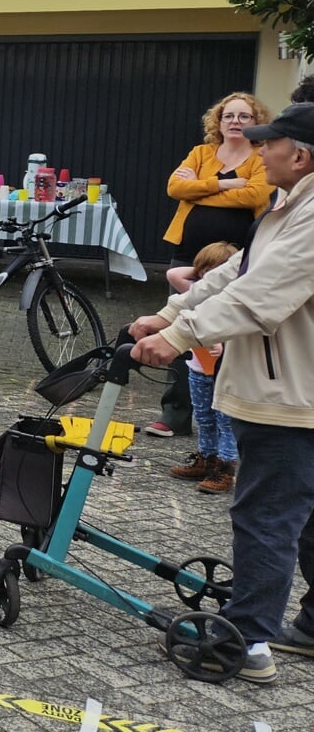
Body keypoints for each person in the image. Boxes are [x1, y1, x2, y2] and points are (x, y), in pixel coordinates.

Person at [130, 102, 314, 685]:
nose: (259, 152)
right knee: (303, 517)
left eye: (269, 144)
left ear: (301, 155)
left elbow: (261, 296)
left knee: (266, 516)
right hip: (290, 386)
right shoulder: (287, 207)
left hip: (289, 395)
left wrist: (181, 337)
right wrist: (169, 312)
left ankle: (250, 640)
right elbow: (234, 273)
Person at [149, 92, 274, 439]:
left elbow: (255, 195)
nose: (235, 122)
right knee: (176, 321)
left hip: (233, 257)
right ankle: (174, 413)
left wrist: (199, 188)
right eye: (228, 116)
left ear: (256, 121)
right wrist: (225, 183)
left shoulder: (259, 155)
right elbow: (175, 187)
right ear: (217, 122)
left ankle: (224, 418)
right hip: (188, 254)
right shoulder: (201, 153)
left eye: (244, 116)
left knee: (224, 332)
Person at [164, 241, 241, 494]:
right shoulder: (196, 291)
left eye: (219, 270)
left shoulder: (238, 299)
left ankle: (225, 468)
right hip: (198, 370)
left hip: (226, 373)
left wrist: (226, 348)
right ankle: (206, 459)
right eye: (207, 270)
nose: (211, 276)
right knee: (203, 418)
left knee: (225, 422)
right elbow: (173, 274)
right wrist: (201, 272)